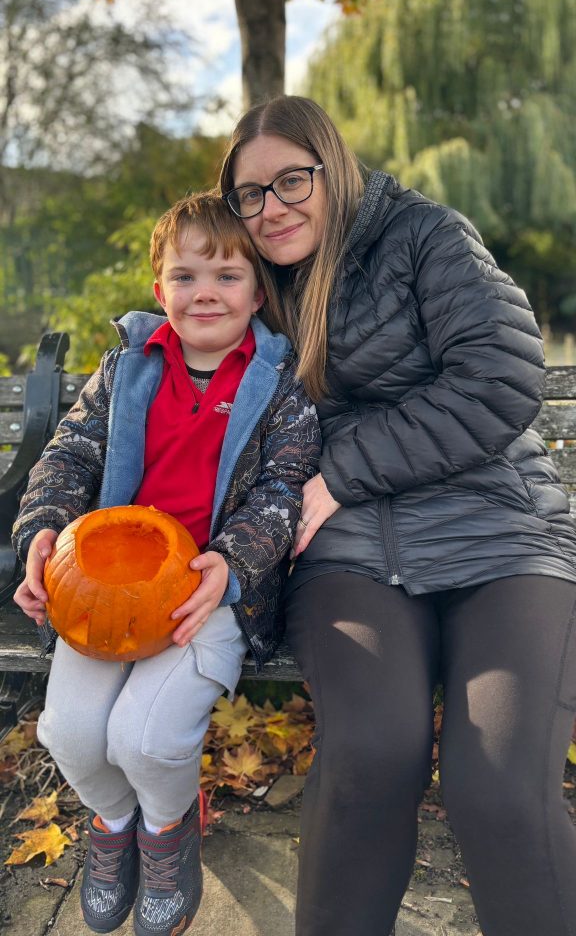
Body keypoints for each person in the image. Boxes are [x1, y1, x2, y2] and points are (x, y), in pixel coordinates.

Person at [219, 95, 576, 936]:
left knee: (496, 789)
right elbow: (160, 385)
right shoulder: (252, 280)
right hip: (347, 551)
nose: (272, 209)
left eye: (291, 181)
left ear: (332, 167)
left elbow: (499, 380)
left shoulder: (424, 236)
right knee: (371, 756)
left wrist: (340, 469)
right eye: (251, 194)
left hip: (498, 531)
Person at [11, 191, 320, 936]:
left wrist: (230, 560)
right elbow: (66, 458)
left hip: (209, 593)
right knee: (73, 733)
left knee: (144, 739)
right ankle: (115, 824)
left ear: (256, 290)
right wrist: (43, 533)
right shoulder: (126, 371)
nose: (205, 292)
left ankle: (168, 827)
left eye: (226, 276)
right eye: (185, 276)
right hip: (102, 589)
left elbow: (282, 490)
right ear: (160, 291)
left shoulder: (282, 386)